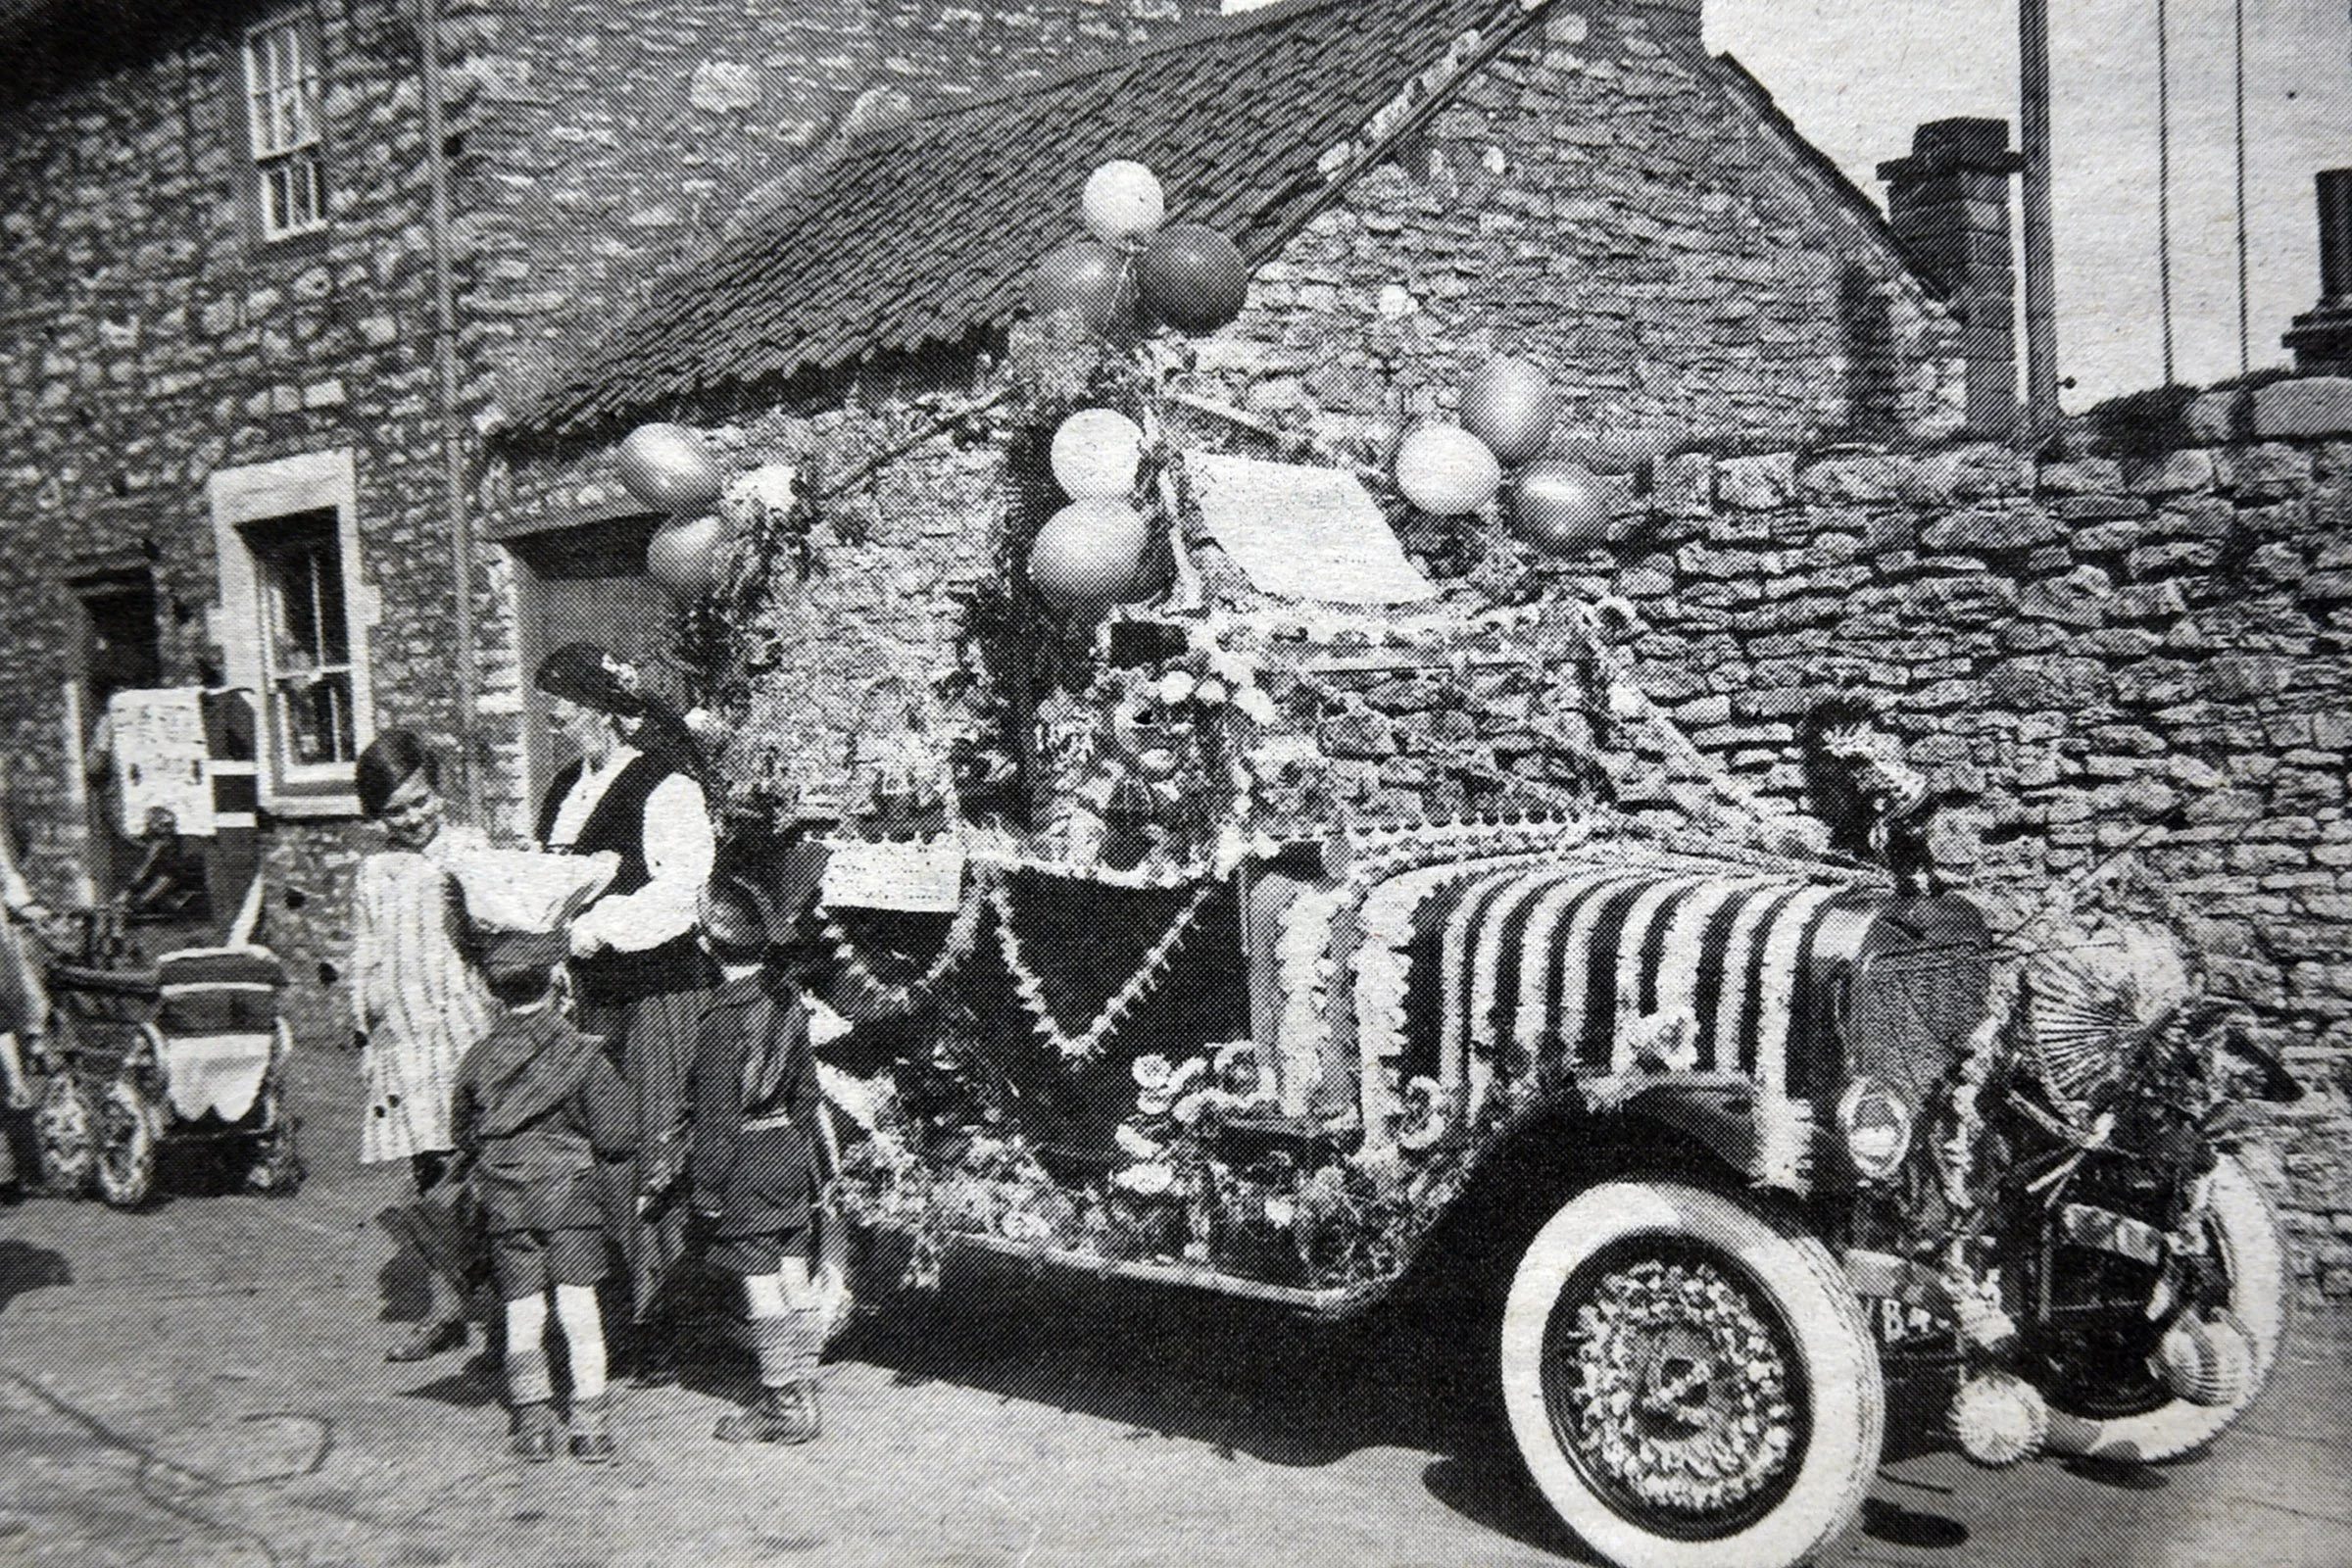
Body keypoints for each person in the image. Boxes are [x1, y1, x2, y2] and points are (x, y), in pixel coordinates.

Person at [532, 644, 718, 1386]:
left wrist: (601, 927)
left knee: (653, 1142)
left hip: (657, 990)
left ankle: (667, 1318)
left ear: (601, 710)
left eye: (564, 706)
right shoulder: (564, 789)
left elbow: (684, 891)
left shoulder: (665, 786)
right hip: (592, 994)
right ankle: (616, 1305)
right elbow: (552, 880)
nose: (554, 719)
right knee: (598, 1143)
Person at [450, 932, 630, 1464]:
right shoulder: (583, 1055)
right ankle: (590, 1426)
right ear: (555, 983)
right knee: (580, 1308)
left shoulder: (477, 1058)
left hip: (507, 1202)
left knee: (522, 1309)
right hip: (572, 1200)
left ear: (493, 993)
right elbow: (618, 1136)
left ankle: (531, 1422)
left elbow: (463, 1133)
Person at [350, 731, 498, 1362]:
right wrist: (366, 1032)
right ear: (376, 816)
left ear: (439, 791)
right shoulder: (374, 874)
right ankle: (447, 1308)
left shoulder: (468, 851)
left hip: (466, 1027)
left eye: (421, 801)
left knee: (479, 1169)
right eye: (396, 812)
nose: (413, 819)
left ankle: (501, 1312)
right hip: (407, 1041)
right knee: (429, 1172)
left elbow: (498, 931)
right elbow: (365, 957)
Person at [685, 877, 842, 1445]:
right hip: (789, 1157)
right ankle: (804, 1385)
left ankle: (782, 1403)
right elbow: (807, 1097)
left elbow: (717, 1121)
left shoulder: (721, 1021)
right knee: (795, 1274)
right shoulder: (787, 1003)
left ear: (707, 945)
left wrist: (706, 1194)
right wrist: (812, 1167)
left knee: (760, 1286)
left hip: (745, 1164)